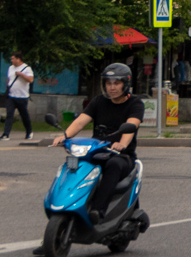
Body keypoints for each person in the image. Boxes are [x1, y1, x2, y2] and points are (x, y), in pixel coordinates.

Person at [52, 64, 143, 222]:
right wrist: (64, 136)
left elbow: (131, 126)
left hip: (121, 155)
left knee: (113, 165)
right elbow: (80, 122)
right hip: (96, 151)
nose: (112, 87)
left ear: (126, 84)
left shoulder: (135, 104)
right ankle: (64, 204)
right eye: (109, 83)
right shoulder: (99, 101)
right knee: (74, 164)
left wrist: (122, 144)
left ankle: (97, 211)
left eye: (116, 83)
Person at [1, 51, 34, 141]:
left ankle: (29, 132)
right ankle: (6, 134)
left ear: (18, 59)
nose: (11, 60)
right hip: (11, 96)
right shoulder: (11, 68)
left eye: (13, 58)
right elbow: (9, 79)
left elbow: (30, 80)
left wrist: (21, 74)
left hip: (22, 97)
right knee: (9, 115)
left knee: (24, 115)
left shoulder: (27, 68)